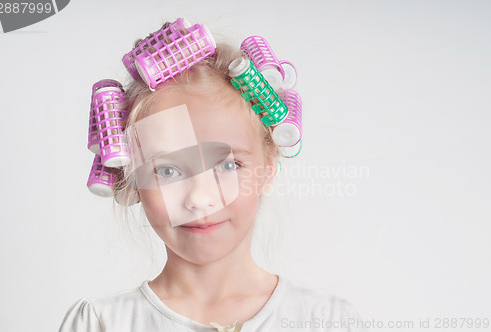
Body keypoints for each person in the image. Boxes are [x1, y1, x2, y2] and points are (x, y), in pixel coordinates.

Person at [59, 21, 367, 332]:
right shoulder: (101, 324)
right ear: (133, 180)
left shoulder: (327, 322)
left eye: (228, 165)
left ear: (268, 169)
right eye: (167, 170)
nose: (200, 198)